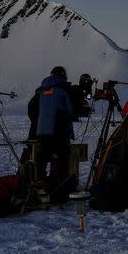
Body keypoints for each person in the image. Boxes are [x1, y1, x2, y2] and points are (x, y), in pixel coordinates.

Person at [36, 66, 77, 200]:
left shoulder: (42, 91)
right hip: (58, 129)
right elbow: (71, 109)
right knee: (62, 159)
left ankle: (37, 183)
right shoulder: (62, 90)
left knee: (43, 157)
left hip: (42, 130)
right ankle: (60, 189)